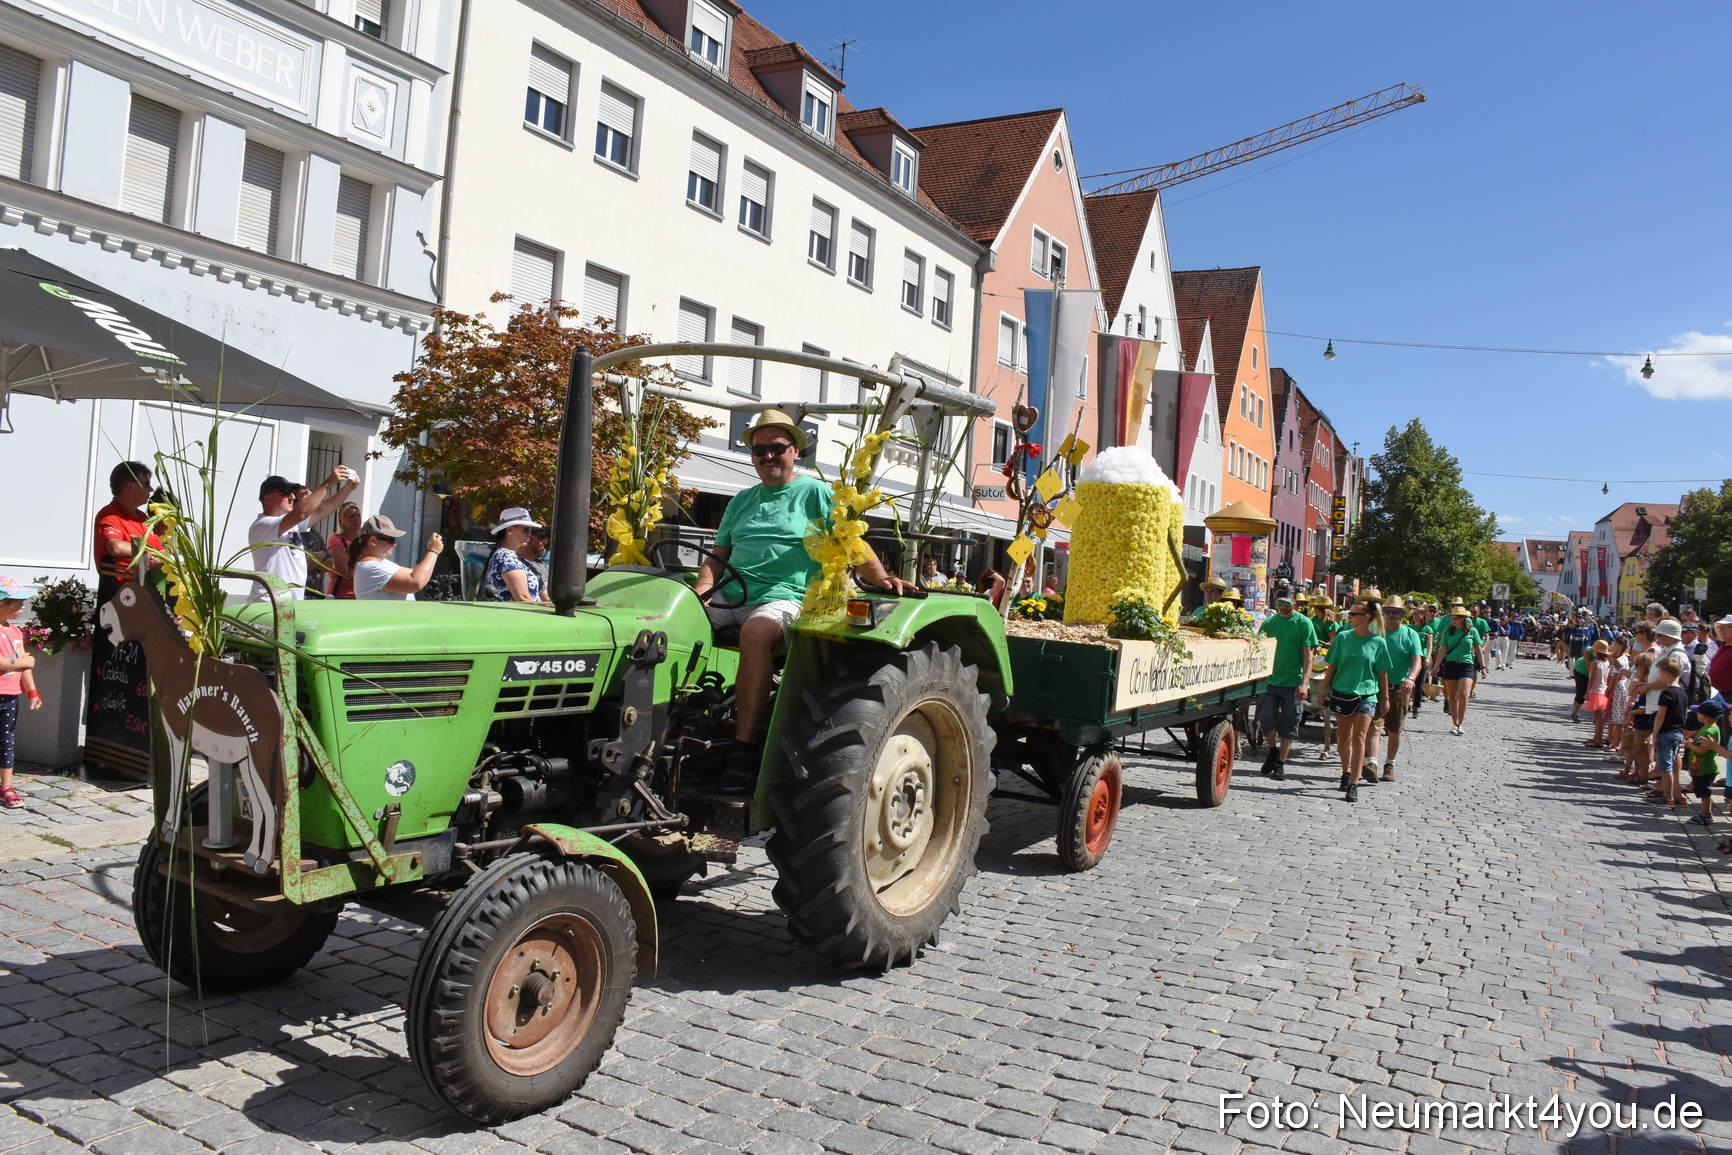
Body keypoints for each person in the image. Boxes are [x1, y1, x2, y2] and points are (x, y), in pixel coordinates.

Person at [694, 410, 914, 793]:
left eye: (776, 448)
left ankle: (742, 751)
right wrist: (702, 590)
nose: (767, 456)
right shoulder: (742, 500)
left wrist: (882, 577)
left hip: (787, 595)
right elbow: (717, 556)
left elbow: (850, 539)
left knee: (757, 632)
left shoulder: (814, 492)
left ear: (795, 451)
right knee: (667, 620)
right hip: (733, 592)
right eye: (759, 449)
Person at [248, 468, 359, 600]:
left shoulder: (290, 525)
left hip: (288, 604)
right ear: (268, 499)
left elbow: (322, 510)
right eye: (286, 493)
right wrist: (327, 484)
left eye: (292, 493)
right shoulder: (262, 525)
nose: (292, 497)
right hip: (268, 604)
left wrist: (348, 488)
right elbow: (301, 513)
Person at [1318, 601, 1388, 804]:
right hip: (1342, 693)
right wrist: (1324, 689)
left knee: (1359, 738)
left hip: (1367, 696)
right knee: (1342, 738)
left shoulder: (1378, 642)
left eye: (1353, 614)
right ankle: (1345, 772)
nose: (1349, 617)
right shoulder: (1342, 637)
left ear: (1366, 617)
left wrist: (1385, 698)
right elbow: (1332, 665)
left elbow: (1382, 672)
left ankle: (1354, 784)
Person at [1256, 588, 1317, 781]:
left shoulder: (1304, 624)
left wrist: (1304, 682)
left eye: (1286, 603)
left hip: (1293, 682)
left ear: (1294, 603)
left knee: (1289, 725)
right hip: (1271, 680)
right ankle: (1272, 750)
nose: (1282, 607)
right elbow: (1261, 649)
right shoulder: (1269, 623)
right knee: (1265, 718)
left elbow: (1309, 656)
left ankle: (1280, 763)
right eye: (1279, 603)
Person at [1370, 596, 1424, 782]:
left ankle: (1389, 765)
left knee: (1394, 730)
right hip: (1375, 688)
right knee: (1374, 728)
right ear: (1383, 614)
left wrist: (1410, 678)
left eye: (1396, 612)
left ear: (1402, 614)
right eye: (1388, 612)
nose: (1392, 615)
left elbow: (1417, 660)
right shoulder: (1375, 632)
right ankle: (1372, 763)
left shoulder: (1411, 635)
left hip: (1399, 689)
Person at [94, 462, 163, 604]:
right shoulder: (109, 515)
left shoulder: (143, 519)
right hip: (123, 594)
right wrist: (150, 555)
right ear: (130, 486)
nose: (150, 489)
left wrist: (161, 558)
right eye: (146, 484)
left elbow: (162, 550)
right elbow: (116, 547)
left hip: (147, 590)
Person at [0, 578, 42, 809]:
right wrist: (23, 661)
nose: (23, 607)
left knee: (6, 741)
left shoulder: (16, 632)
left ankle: (6, 785)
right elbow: (3, 662)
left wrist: (32, 691)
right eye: (18, 602)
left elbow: (23, 665)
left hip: (9, 696)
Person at [350, 515, 443, 600]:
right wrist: (433, 551)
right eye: (391, 539)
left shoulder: (379, 564)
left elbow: (414, 573)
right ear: (373, 541)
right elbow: (416, 582)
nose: (394, 544)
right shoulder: (371, 568)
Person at [1431, 606, 1481, 737]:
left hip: (1467, 665)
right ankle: (1455, 723)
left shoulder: (1472, 631)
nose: (1453, 620)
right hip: (1450, 664)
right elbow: (1443, 649)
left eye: (1456, 618)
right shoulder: (1448, 631)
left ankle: (1461, 723)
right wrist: (1436, 666)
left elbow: (1478, 648)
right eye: (1452, 617)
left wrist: (1484, 666)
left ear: (1464, 619)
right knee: (1452, 696)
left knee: (1463, 694)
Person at [483, 508, 550, 603]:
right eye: (526, 530)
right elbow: (523, 598)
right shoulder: (506, 557)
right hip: (517, 616)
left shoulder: (506, 556)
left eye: (531, 530)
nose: (529, 535)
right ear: (509, 530)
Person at [1650, 656, 1690, 808]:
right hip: (1678, 732)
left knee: (1665, 767)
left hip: (1666, 733)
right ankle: (1678, 796)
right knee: (1672, 766)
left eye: (1660, 672)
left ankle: (1668, 797)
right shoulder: (1682, 692)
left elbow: (1660, 715)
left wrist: (1654, 734)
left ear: (1667, 673)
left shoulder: (1667, 693)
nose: (1659, 675)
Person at [1685, 701, 1726, 826]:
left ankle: (1705, 815)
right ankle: (1705, 813)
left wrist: (1689, 745)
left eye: (1698, 712)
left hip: (1704, 767)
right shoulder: (1713, 728)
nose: (1697, 715)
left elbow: (1702, 750)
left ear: (1704, 716)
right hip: (1704, 766)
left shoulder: (1707, 730)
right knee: (1704, 792)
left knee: (1704, 793)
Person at [325, 502, 363, 600]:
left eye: (358, 515)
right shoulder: (336, 539)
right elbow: (344, 569)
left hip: (362, 596)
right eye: (351, 516)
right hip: (342, 596)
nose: (357, 519)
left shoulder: (364, 540)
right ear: (342, 520)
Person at [1582, 641, 1611, 748]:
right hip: (1603, 690)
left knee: (1598, 717)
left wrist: (1587, 692)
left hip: (1596, 691)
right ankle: (1596, 737)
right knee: (1598, 716)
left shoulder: (1595, 663)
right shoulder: (1607, 662)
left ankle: (1598, 739)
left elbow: (1591, 679)